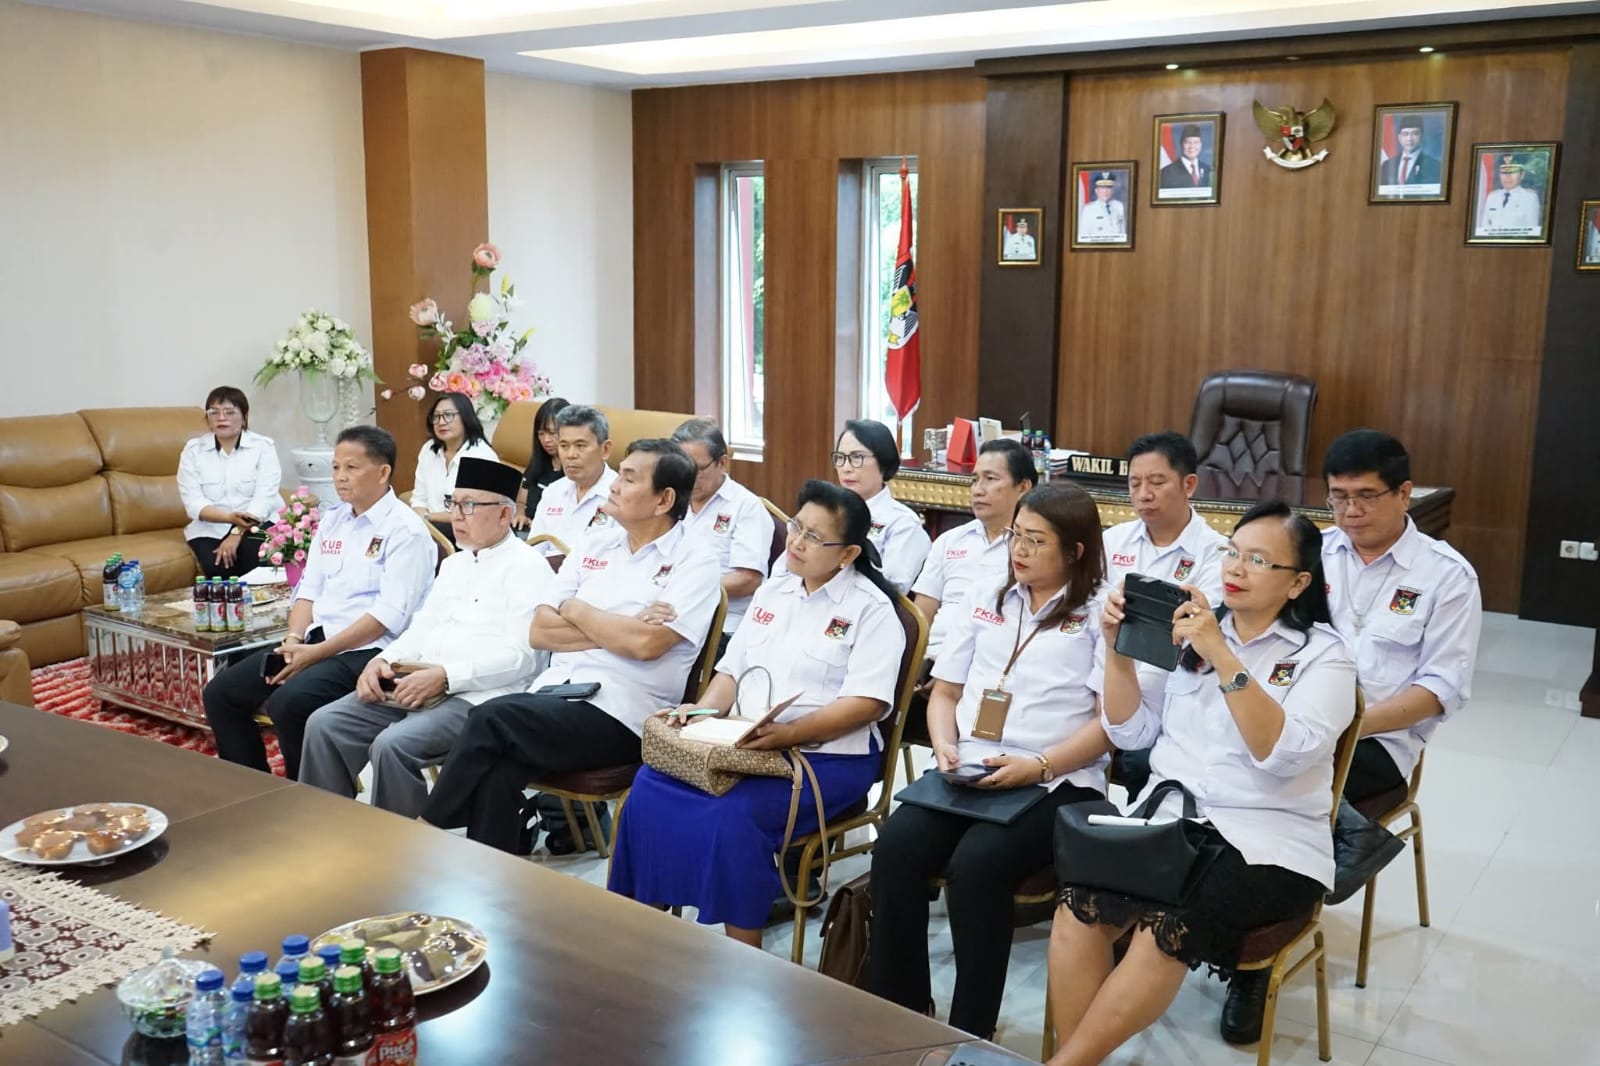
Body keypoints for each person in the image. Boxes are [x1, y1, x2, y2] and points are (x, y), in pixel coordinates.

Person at [1045, 500, 1356, 1066]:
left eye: (1259, 560)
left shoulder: (1323, 658)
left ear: (1298, 583)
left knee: (1168, 924)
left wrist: (1222, 653)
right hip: (1169, 822)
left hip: (1267, 841)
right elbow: (1132, 732)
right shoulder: (1187, 631)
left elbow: (1280, 755)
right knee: (1077, 905)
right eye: (1233, 552)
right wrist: (1118, 653)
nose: (1236, 568)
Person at [1218, 429, 1482, 1043]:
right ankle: (1179, 906)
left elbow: (1440, 690)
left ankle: (1255, 962)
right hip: (1283, 718)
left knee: (1276, 790)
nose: (1350, 512)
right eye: (1337, 497)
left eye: (1366, 496)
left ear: (1405, 494)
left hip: (1377, 743)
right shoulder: (1310, 554)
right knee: (1211, 767)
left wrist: (1345, 723)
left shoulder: (1446, 576)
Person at [607, 479, 904, 946]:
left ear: (847, 554)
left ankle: (743, 958)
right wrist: (702, 710)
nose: (796, 542)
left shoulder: (872, 610)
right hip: (744, 743)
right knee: (649, 787)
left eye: (814, 537)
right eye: (796, 527)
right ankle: (642, 934)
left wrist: (790, 733)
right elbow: (732, 670)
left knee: (732, 813)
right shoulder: (775, 589)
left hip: (825, 758)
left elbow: (866, 703)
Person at [867, 482, 1112, 1038]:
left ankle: (970, 1031)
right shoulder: (988, 594)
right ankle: (901, 1012)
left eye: (1035, 541)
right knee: (897, 848)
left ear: (1074, 550)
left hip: (1057, 779)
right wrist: (945, 745)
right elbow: (946, 692)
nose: (1018, 550)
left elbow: (1109, 727)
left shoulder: (1101, 613)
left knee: (977, 866)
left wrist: (1041, 765)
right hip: (972, 766)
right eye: (1016, 536)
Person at [421, 439, 721, 852]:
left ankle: (424, 831)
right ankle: (490, 880)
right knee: (497, 771)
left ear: (664, 499)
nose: (614, 484)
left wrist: (576, 610)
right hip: (555, 695)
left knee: (491, 719)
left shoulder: (696, 559)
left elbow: (648, 645)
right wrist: (624, 624)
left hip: (624, 713)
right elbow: (540, 631)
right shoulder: (597, 542)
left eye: (629, 478)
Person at [298, 458, 556, 817]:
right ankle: (325, 830)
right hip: (417, 681)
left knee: (393, 745)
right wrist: (381, 661)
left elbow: (524, 658)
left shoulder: (528, 568)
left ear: (503, 514)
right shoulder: (454, 564)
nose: (457, 516)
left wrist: (446, 676)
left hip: (480, 699)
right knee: (325, 724)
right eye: (453, 503)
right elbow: (420, 628)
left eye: (469, 505)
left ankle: (402, 846)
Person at [202, 426, 435, 780]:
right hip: (315, 641)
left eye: (351, 468)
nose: (340, 477)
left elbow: (387, 617)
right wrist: (294, 641)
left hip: (370, 651)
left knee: (289, 703)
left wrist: (315, 653)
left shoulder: (405, 530)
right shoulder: (333, 519)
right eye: (336, 467)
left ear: (383, 472)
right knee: (221, 693)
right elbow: (308, 590)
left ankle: (310, 798)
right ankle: (253, 790)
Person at [1100, 432, 1228, 797]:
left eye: (1157, 482)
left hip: (1168, 695)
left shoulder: (1216, 554)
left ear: (1189, 485)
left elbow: (1189, 641)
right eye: (1134, 483)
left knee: (1138, 758)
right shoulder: (1112, 541)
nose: (1144, 494)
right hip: (1101, 676)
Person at [912, 438, 1035, 663]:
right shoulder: (950, 541)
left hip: (993, 664)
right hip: (933, 658)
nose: (978, 490)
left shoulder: (1031, 548)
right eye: (975, 480)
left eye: (990, 479)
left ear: (1023, 487)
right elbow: (921, 616)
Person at [671, 417, 772, 648]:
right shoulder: (670, 499)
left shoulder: (746, 507)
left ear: (722, 463)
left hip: (722, 625)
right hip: (672, 614)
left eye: (698, 469)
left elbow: (748, 579)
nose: (687, 477)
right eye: (681, 468)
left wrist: (687, 591)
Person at [177, 386, 283, 579]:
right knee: (217, 565)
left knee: (255, 554)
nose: (221, 418)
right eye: (214, 412)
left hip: (258, 522)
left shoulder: (263, 447)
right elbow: (193, 503)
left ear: (244, 417)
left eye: (229, 412)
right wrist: (229, 519)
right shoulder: (193, 451)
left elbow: (263, 499)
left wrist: (236, 532)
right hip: (210, 527)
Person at [831, 419, 930, 594]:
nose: (846, 468)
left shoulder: (903, 523)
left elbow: (892, 588)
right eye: (840, 458)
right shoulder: (826, 512)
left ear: (884, 462)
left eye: (857, 457)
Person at [525, 404, 618, 559]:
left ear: (605, 449)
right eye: (564, 446)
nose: (570, 455)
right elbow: (534, 550)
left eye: (580, 446)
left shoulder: (620, 496)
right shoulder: (553, 491)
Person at [410, 393, 499, 540]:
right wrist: (420, 518)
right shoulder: (429, 450)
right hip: (430, 527)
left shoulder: (481, 455)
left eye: (448, 415)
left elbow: (473, 512)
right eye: (436, 417)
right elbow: (419, 498)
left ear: (465, 417)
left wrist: (427, 517)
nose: (441, 422)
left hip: (471, 530)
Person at [514, 395, 569, 530]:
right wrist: (520, 515)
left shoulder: (576, 469)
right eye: (541, 433)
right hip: (529, 532)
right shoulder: (538, 461)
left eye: (552, 433)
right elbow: (521, 502)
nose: (546, 440)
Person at [1478, 158, 1541, 234]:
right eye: (1504, 172)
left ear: (1522, 175)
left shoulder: (1529, 198)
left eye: (1513, 172)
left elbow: (1532, 231)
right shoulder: (1492, 197)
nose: (1508, 176)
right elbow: (1484, 228)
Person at [1378, 115, 1439, 188]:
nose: (1409, 139)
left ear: (1422, 136)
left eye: (1415, 134)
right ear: (1399, 138)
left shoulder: (1434, 165)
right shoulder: (1387, 165)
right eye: (1405, 134)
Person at [1158, 124, 1212, 190]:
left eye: (1196, 142)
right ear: (1181, 144)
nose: (1192, 146)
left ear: (1201, 145)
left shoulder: (1207, 169)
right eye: (1187, 142)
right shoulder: (1167, 172)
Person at [1077, 174, 1126, 241]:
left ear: (1112, 190)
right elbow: (1083, 237)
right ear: (1096, 191)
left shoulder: (1119, 206)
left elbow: (1123, 235)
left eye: (1108, 188)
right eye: (1102, 188)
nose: (1105, 191)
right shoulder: (1088, 210)